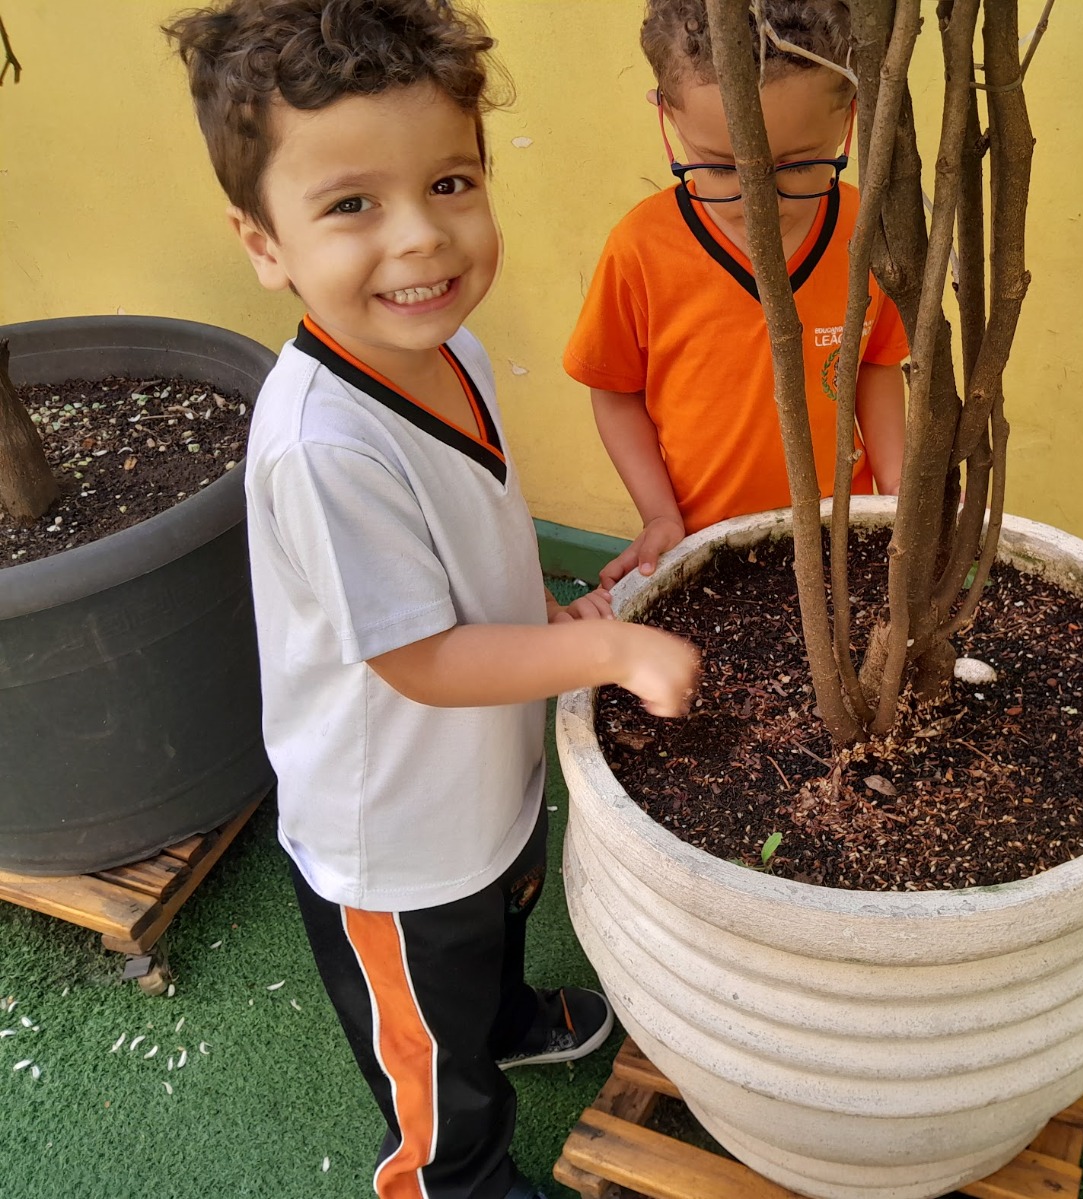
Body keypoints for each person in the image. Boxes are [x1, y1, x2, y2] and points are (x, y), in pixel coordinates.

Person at [165, 4, 699, 1197]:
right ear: (264, 242)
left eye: (450, 181)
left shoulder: (440, 352)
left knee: (491, 925)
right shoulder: (322, 443)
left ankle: (501, 1007)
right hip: (391, 835)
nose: (419, 239)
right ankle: (450, 1177)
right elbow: (416, 659)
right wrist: (605, 649)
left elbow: (458, 560)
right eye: (351, 204)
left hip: (473, 782)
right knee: (428, 1044)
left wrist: (552, 623)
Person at [565, 0, 910, 590]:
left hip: (841, 539)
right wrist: (658, 514)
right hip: (704, 549)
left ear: (850, 117)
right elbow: (616, 391)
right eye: (723, 168)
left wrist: (900, 497)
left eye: (798, 165)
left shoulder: (865, 230)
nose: (760, 200)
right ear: (670, 118)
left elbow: (877, 364)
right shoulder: (641, 250)